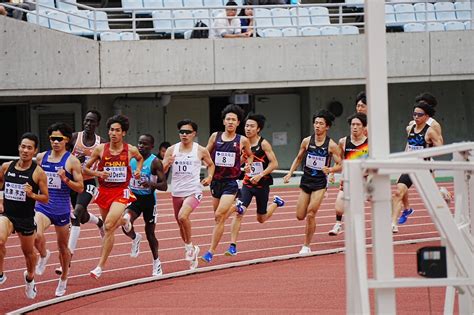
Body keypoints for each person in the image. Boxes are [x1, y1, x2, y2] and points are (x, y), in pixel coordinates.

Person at [84, 114, 143, 279]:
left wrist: (137, 170)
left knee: (109, 225)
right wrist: (98, 173)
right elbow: (85, 169)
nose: (113, 133)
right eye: (111, 130)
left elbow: (140, 159)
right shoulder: (100, 149)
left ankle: (99, 266)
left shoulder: (130, 149)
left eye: (117, 130)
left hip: (121, 191)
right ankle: (126, 222)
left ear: (123, 133)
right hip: (104, 191)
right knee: (107, 228)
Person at [34, 123, 84, 297]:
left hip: (62, 209)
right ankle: (43, 254)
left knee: (63, 248)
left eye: (59, 139)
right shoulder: (41, 157)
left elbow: (80, 188)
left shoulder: (72, 161)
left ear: (66, 140)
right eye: (52, 139)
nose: (55, 142)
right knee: (36, 234)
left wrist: (65, 179)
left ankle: (63, 277)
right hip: (43, 206)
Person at [283, 110, 342, 254]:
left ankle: (306, 245)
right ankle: (309, 234)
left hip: (320, 183)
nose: (317, 126)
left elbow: (340, 164)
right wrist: (290, 173)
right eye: (316, 123)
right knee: (300, 215)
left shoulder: (331, 145)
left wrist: (331, 170)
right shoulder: (307, 141)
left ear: (327, 127)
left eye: (321, 123)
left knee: (311, 214)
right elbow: (298, 158)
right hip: (306, 181)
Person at [55, 110, 106, 276]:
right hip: (72, 183)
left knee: (76, 215)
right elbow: (62, 153)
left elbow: (105, 165)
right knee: (81, 216)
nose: (88, 124)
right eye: (86, 121)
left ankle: (67, 259)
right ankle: (98, 222)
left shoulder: (101, 143)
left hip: (89, 183)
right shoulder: (75, 137)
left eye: (91, 121)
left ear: (97, 123)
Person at [200, 104, 253, 263]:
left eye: (234, 120)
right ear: (223, 121)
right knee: (219, 218)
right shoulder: (214, 136)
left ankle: (210, 252)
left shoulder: (242, 140)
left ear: (238, 123)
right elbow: (205, 152)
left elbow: (249, 155)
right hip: (216, 182)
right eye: (228, 119)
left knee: (219, 214)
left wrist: (248, 163)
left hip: (231, 182)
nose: (230, 122)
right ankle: (237, 207)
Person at [225, 114, 285, 256]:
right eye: (246, 125)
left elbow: (275, 163)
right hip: (247, 184)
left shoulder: (263, 144)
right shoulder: (241, 143)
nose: (248, 128)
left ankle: (276, 202)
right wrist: (242, 168)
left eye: (252, 126)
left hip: (262, 185)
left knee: (261, 219)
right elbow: (237, 163)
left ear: (258, 129)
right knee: (240, 212)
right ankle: (232, 246)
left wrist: (260, 175)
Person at [0, 133, 48, 299]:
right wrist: (0, 199)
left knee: (29, 254)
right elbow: (0, 183)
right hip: (8, 215)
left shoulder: (38, 173)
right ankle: (0, 274)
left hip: (26, 218)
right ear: (19, 147)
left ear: (35, 151)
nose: (25, 150)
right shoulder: (7, 167)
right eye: (23, 146)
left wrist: (32, 195)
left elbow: (45, 197)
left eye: (29, 148)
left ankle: (30, 278)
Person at [162, 119, 215, 270]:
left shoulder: (200, 150)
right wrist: (167, 164)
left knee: (182, 216)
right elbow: (163, 171)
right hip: (177, 191)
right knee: (180, 224)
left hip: (194, 190)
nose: (184, 135)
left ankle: (190, 246)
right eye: (181, 132)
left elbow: (211, 165)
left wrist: (209, 177)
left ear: (194, 134)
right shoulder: (172, 150)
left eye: (187, 132)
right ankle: (190, 248)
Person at [391, 102, 443, 233]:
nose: (416, 117)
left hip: (424, 168)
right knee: (398, 192)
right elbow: (409, 145)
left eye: (419, 114)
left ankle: (444, 195)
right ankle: (393, 223)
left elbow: (440, 149)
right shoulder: (410, 128)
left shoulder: (430, 131)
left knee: (434, 200)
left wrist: (430, 153)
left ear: (426, 116)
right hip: (410, 166)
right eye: (414, 114)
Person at [122, 134, 167, 276]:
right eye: (140, 143)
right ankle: (135, 237)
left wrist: (151, 183)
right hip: (134, 198)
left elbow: (164, 186)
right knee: (125, 222)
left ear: (151, 146)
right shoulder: (132, 159)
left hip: (149, 201)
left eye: (145, 144)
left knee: (150, 233)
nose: (141, 146)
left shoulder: (155, 163)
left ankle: (156, 262)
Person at [328, 113, 368, 236]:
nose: (355, 127)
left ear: (364, 127)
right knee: (339, 206)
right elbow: (339, 160)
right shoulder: (343, 142)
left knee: (358, 207)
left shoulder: (369, 143)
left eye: (358, 124)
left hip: (364, 180)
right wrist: (332, 172)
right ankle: (338, 225)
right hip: (348, 178)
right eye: (353, 124)